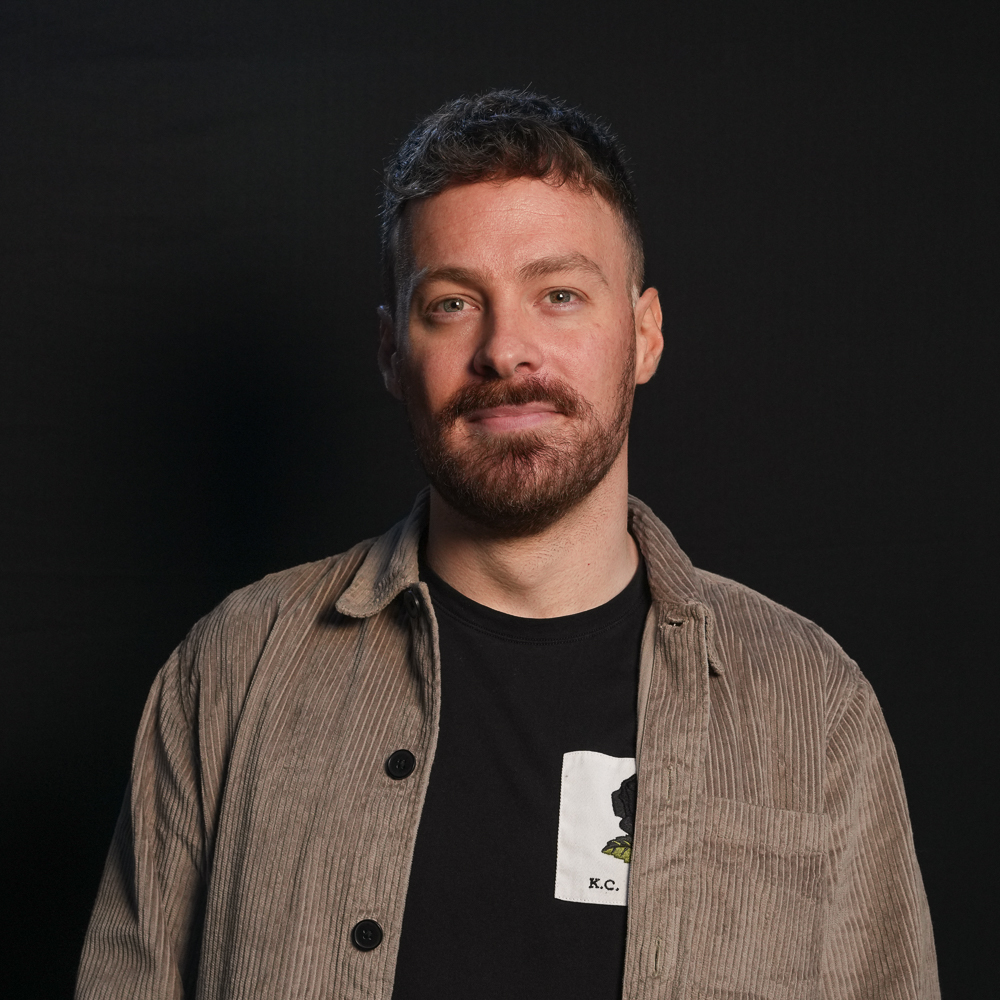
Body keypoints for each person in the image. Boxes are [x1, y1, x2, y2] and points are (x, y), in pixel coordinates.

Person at [76, 90, 939, 1000]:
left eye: (558, 295)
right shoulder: (232, 674)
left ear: (644, 335)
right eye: (452, 303)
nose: (505, 350)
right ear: (389, 350)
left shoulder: (814, 707)